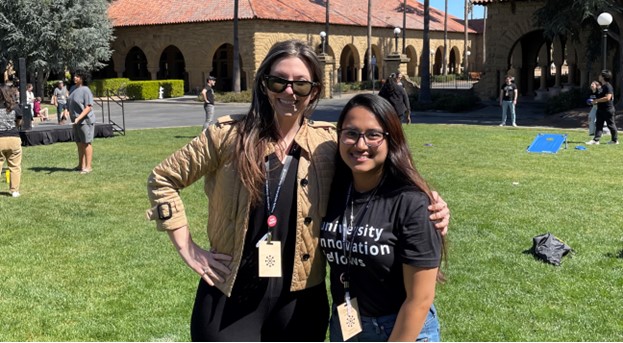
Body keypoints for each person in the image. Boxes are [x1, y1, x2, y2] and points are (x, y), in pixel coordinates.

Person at [145, 39, 450, 341]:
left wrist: (430, 205)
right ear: (264, 84)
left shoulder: (329, 144)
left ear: (314, 90)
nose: (289, 92)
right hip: (229, 294)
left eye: (301, 84)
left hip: (300, 303)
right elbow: (162, 178)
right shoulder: (227, 137)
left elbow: (383, 174)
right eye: (279, 81)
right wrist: (189, 250)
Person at [321, 94, 444, 342]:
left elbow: (419, 299)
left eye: (373, 135)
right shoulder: (333, 191)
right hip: (346, 326)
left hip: (401, 327)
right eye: (351, 133)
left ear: (391, 140)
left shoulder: (412, 203)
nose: (360, 145)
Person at [67, 70, 96, 174]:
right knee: (79, 143)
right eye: (74, 76)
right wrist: (66, 111)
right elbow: (69, 102)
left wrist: (79, 118)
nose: (75, 78)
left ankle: (88, 167)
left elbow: (88, 107)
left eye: (78, 76)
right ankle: (81, 165)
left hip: (85, 121)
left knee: (86, 143)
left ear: (83, 78)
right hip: (75, 121)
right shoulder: (72, 89)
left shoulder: (86, 90)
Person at [0, 85, 23, 197]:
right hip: (13, 138)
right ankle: (14, 191)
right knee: (15, 166)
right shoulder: (15, 107)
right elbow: (19, 121)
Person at [586, 70, 618, 145]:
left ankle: (614, 140)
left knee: (611, 125)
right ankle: (596, 140)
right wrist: (594, 91)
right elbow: (599, 95)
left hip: (608, 109)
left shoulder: (608, 86)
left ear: (603, 77)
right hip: (600, 109)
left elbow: (608, 98)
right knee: (598, 124)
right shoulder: (602, 87)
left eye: (600, 75)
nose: (599, 76)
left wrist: (596, 100)